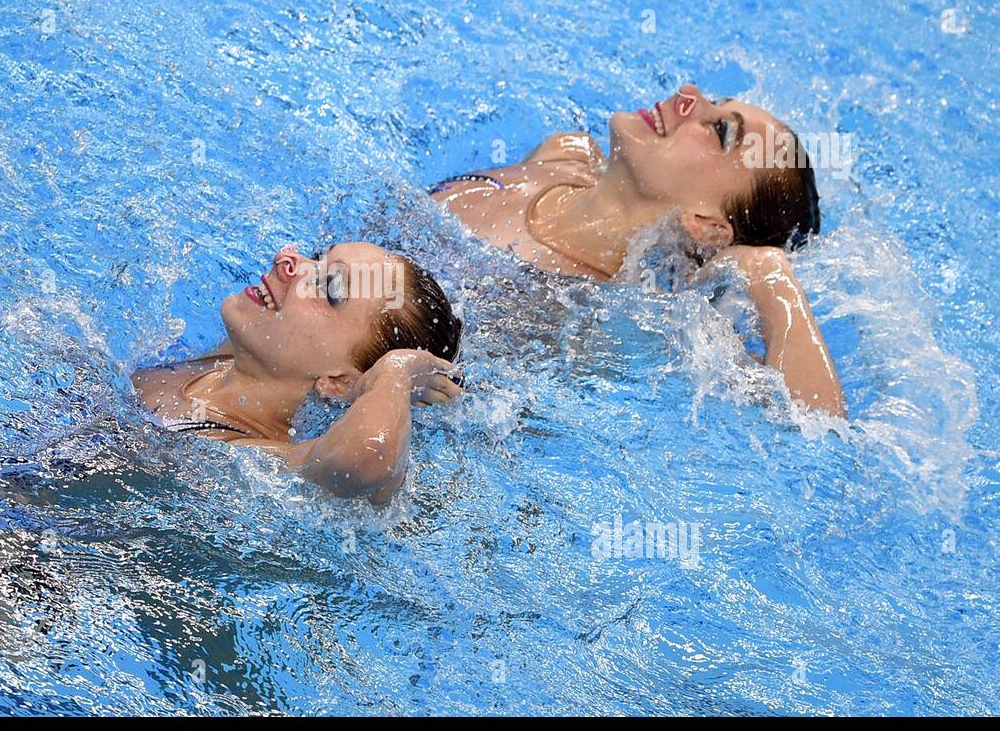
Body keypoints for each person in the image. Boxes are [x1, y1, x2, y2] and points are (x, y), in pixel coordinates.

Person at [429, 82, 846, 417]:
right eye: (715, 102)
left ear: (707, 224)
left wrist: (769, 275)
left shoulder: (614, 322)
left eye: (721, 131)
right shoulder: (564, 152)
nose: (688, 94)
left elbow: (818, 425)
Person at [131, 243, 463, 503]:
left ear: (339, 381)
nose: (287, 261)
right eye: (318, 259)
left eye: (328, 288)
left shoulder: (250, 460)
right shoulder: (229, 358)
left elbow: (371, 456)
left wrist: (396, 373)